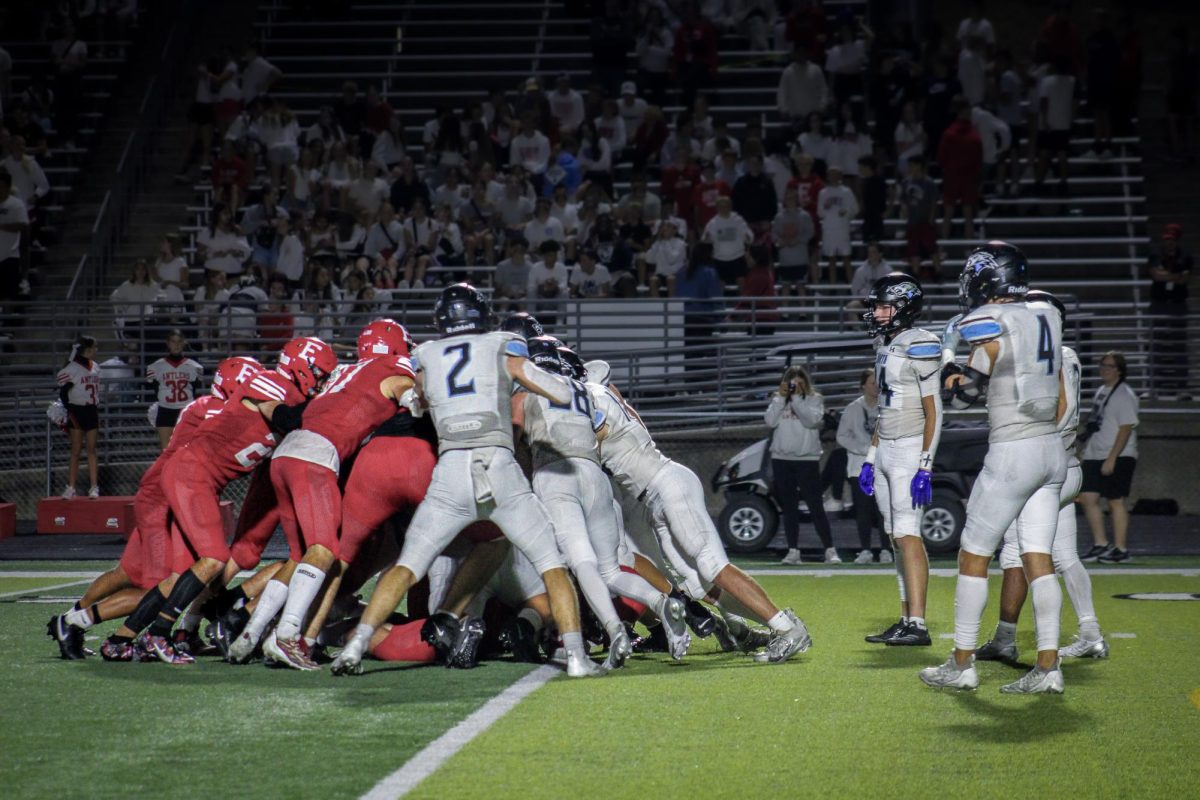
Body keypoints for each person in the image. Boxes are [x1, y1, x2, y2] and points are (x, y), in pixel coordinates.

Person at [331, 284, 601, 678]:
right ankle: (576, 657)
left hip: (451, 468)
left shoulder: (426, 356)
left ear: (442, 320)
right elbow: (558, 391)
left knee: (409, 563)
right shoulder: (500, 346)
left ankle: (354, 647)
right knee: (551, 564)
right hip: (498, 464)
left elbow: (417, 402)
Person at [590, 371, 813, 663]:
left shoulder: (591, 399)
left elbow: (590, 436)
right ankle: (772, 625)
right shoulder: (603, 394)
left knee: (713, 566)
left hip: (666, 485)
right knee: (699, 586)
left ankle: (786, 628)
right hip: (656, 494)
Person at [924, 241, 1067, 693]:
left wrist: (949, 365)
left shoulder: (994, 319)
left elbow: (966, 381)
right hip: (1052, 449)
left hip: (1014, 450)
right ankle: (1048, 667)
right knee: (1038, 558)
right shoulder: (1047, 313)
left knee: (973, 554)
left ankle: (962, 662)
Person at [239, 321, 417, 669]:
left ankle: (249, 634)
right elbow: (411, 398)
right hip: (318, 455)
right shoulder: (394, 368)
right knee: (324, 551)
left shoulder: (344, 374)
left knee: (298, 555)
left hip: (286, 453)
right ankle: (288, 637)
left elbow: (294, 414)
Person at [515, 340, 691, 668]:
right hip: (594, 475)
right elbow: (602, 428)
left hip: (556, 472)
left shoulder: (527, 388)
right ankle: (663, 602)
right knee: (609, 569)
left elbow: (514, 434)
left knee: (581, 563)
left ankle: (616, 632)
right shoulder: (582, 390)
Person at [975, 292, 1109, 663]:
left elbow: (1062, 409)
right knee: (1064, 555)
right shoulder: (1065, 355)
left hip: (1050, 466)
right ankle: (1090, 632)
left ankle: (1010, 642)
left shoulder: (1056, 358)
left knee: (1018, 552)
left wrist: (1034, 442)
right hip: (1066, 465)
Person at [858, 274, 940, 645]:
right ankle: (906, 617)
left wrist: (925, 464)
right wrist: (871, 456)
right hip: (887, 446)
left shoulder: (922, 343)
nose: (875, 313)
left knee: (908, 536)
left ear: (904, 306)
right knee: (895, 537)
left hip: (909, 448)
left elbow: (934, 410)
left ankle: (919, 624)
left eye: (881, 305)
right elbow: (884, 411)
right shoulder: (885, 344)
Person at [766, 367, 836, 565]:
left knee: (815, 506)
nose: (795, 387)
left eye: (799, 383)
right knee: (789, 508)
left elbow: (812, 421)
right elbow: (770, 421)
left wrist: (796, 399)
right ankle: (793, 551)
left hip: (807, 460)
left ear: (805, 383)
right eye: (792, 384)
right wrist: (780, 398)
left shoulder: (815, 399)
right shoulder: (779, 400)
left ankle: (830, 550)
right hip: (781, 459)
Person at [1078, 351, 1139, 564]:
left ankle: (1121, 548)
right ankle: (1100, 543)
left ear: (1119, 370)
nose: (1105, 369)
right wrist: (1087, 451)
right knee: (1088, 497)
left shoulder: (1124, 394)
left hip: (1118, 454)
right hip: (1096, 453)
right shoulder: (1102, 391)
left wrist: (1112, 458)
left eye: (1110, 366)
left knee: (1115, 500)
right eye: (1103, 365)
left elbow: (1126, 428)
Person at [837, 369, 887, 564]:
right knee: (863, 510)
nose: (876, 387)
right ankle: (865, 550)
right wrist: (863, 449)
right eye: (872, 383)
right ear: (863, 385)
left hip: (882, 466)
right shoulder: (853, 409)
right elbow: (841, 436)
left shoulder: (887, 407)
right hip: (859, 467)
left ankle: (885, 549)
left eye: (878, 383)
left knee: (883, 510)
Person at [1146, 224, 1191, 398]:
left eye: (1172, 239)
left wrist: (1168, 275)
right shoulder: (1156, 254)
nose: (1169, 243)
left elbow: (1185, 278)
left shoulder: (1185, 255)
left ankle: (1182, 387)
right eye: (1167, 239)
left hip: (1178, 304)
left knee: (1179, 345)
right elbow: (1156, 275)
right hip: (1159, 303)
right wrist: (1176, 276)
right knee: (1157, 344)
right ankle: (1154, 387)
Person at [57, 336, 102, 499]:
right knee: (76, 450)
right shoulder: (71, 369)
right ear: (88, 349)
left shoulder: (96, 367)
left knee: (92, 449)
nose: (97, 351)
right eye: (95, 347)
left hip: (91, 409)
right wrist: (69, 410)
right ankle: (71, 487)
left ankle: (94, 487)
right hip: (77, 410)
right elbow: (63, 393)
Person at [145, 330, 204, 450]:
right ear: (168, 343)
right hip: (165, 410)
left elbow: (195, 390)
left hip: (185, 411)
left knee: (186, 450)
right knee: (166, 451)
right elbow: (155, 389)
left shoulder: (194, 367)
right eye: (173, 342)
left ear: (184, 343)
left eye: (179, 342)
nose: (176, 345)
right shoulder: (156, 367)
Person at [937, 99, 982, 241]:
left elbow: (941, 158)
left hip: (952, 176)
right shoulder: (975, 136)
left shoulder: (949, 134)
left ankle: (943, 247)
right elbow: (978, 160)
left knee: (948, 212)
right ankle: (968, 248)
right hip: (968, 177)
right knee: (968, 213)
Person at [896, 157, 941, 281]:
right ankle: (915, 274)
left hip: (926, 220)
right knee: (913, 249)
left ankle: (938, 273)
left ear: (919, 166)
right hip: (912, 221)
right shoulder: (906, 182)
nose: (910, 168)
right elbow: (903, 200)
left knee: (932, 248)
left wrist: (931, 217)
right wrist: (904, 211)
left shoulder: (929, 182)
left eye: (912, 165)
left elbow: (933, 201)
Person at [701, 195, 752, 293]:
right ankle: (719, 306)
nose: (723, 208)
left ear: (730, 206)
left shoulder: (738, 220)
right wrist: (706, 238)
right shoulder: (712, 223)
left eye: (726, 205)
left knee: (742, 282)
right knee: (719, 284)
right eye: (721, 205)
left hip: (738, 257)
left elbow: (749, 235)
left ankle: (745, 305)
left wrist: (748, 237)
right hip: (720, 258)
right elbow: (704, 240)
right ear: (717, 207)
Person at [816, 166, 857, 284]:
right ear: (828, 177)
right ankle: (832, 286)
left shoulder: (846, 191)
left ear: (840, 176)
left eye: (836, 174)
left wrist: (846, 212)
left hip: (842, 228)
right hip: (829, 228)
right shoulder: (823, 193)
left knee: (846, 257)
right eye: (831, 174)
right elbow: (820, 212)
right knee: (831, 258)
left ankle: (852, 285)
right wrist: (826, 208)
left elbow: (855, 208)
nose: (833, 177)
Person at [772, 186, 814, 296]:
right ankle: (784, 313)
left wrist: (798, 240)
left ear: (797, 200)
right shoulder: (779, 217)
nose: (790, 201)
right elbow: (774, 234)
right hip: (785, 259)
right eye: (788, 199)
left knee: (801, 286)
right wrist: (780, 241)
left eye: (792, 198)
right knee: (785, 286)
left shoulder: (804, 215)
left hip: (800, 258)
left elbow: (810, 232)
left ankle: (803, 313)